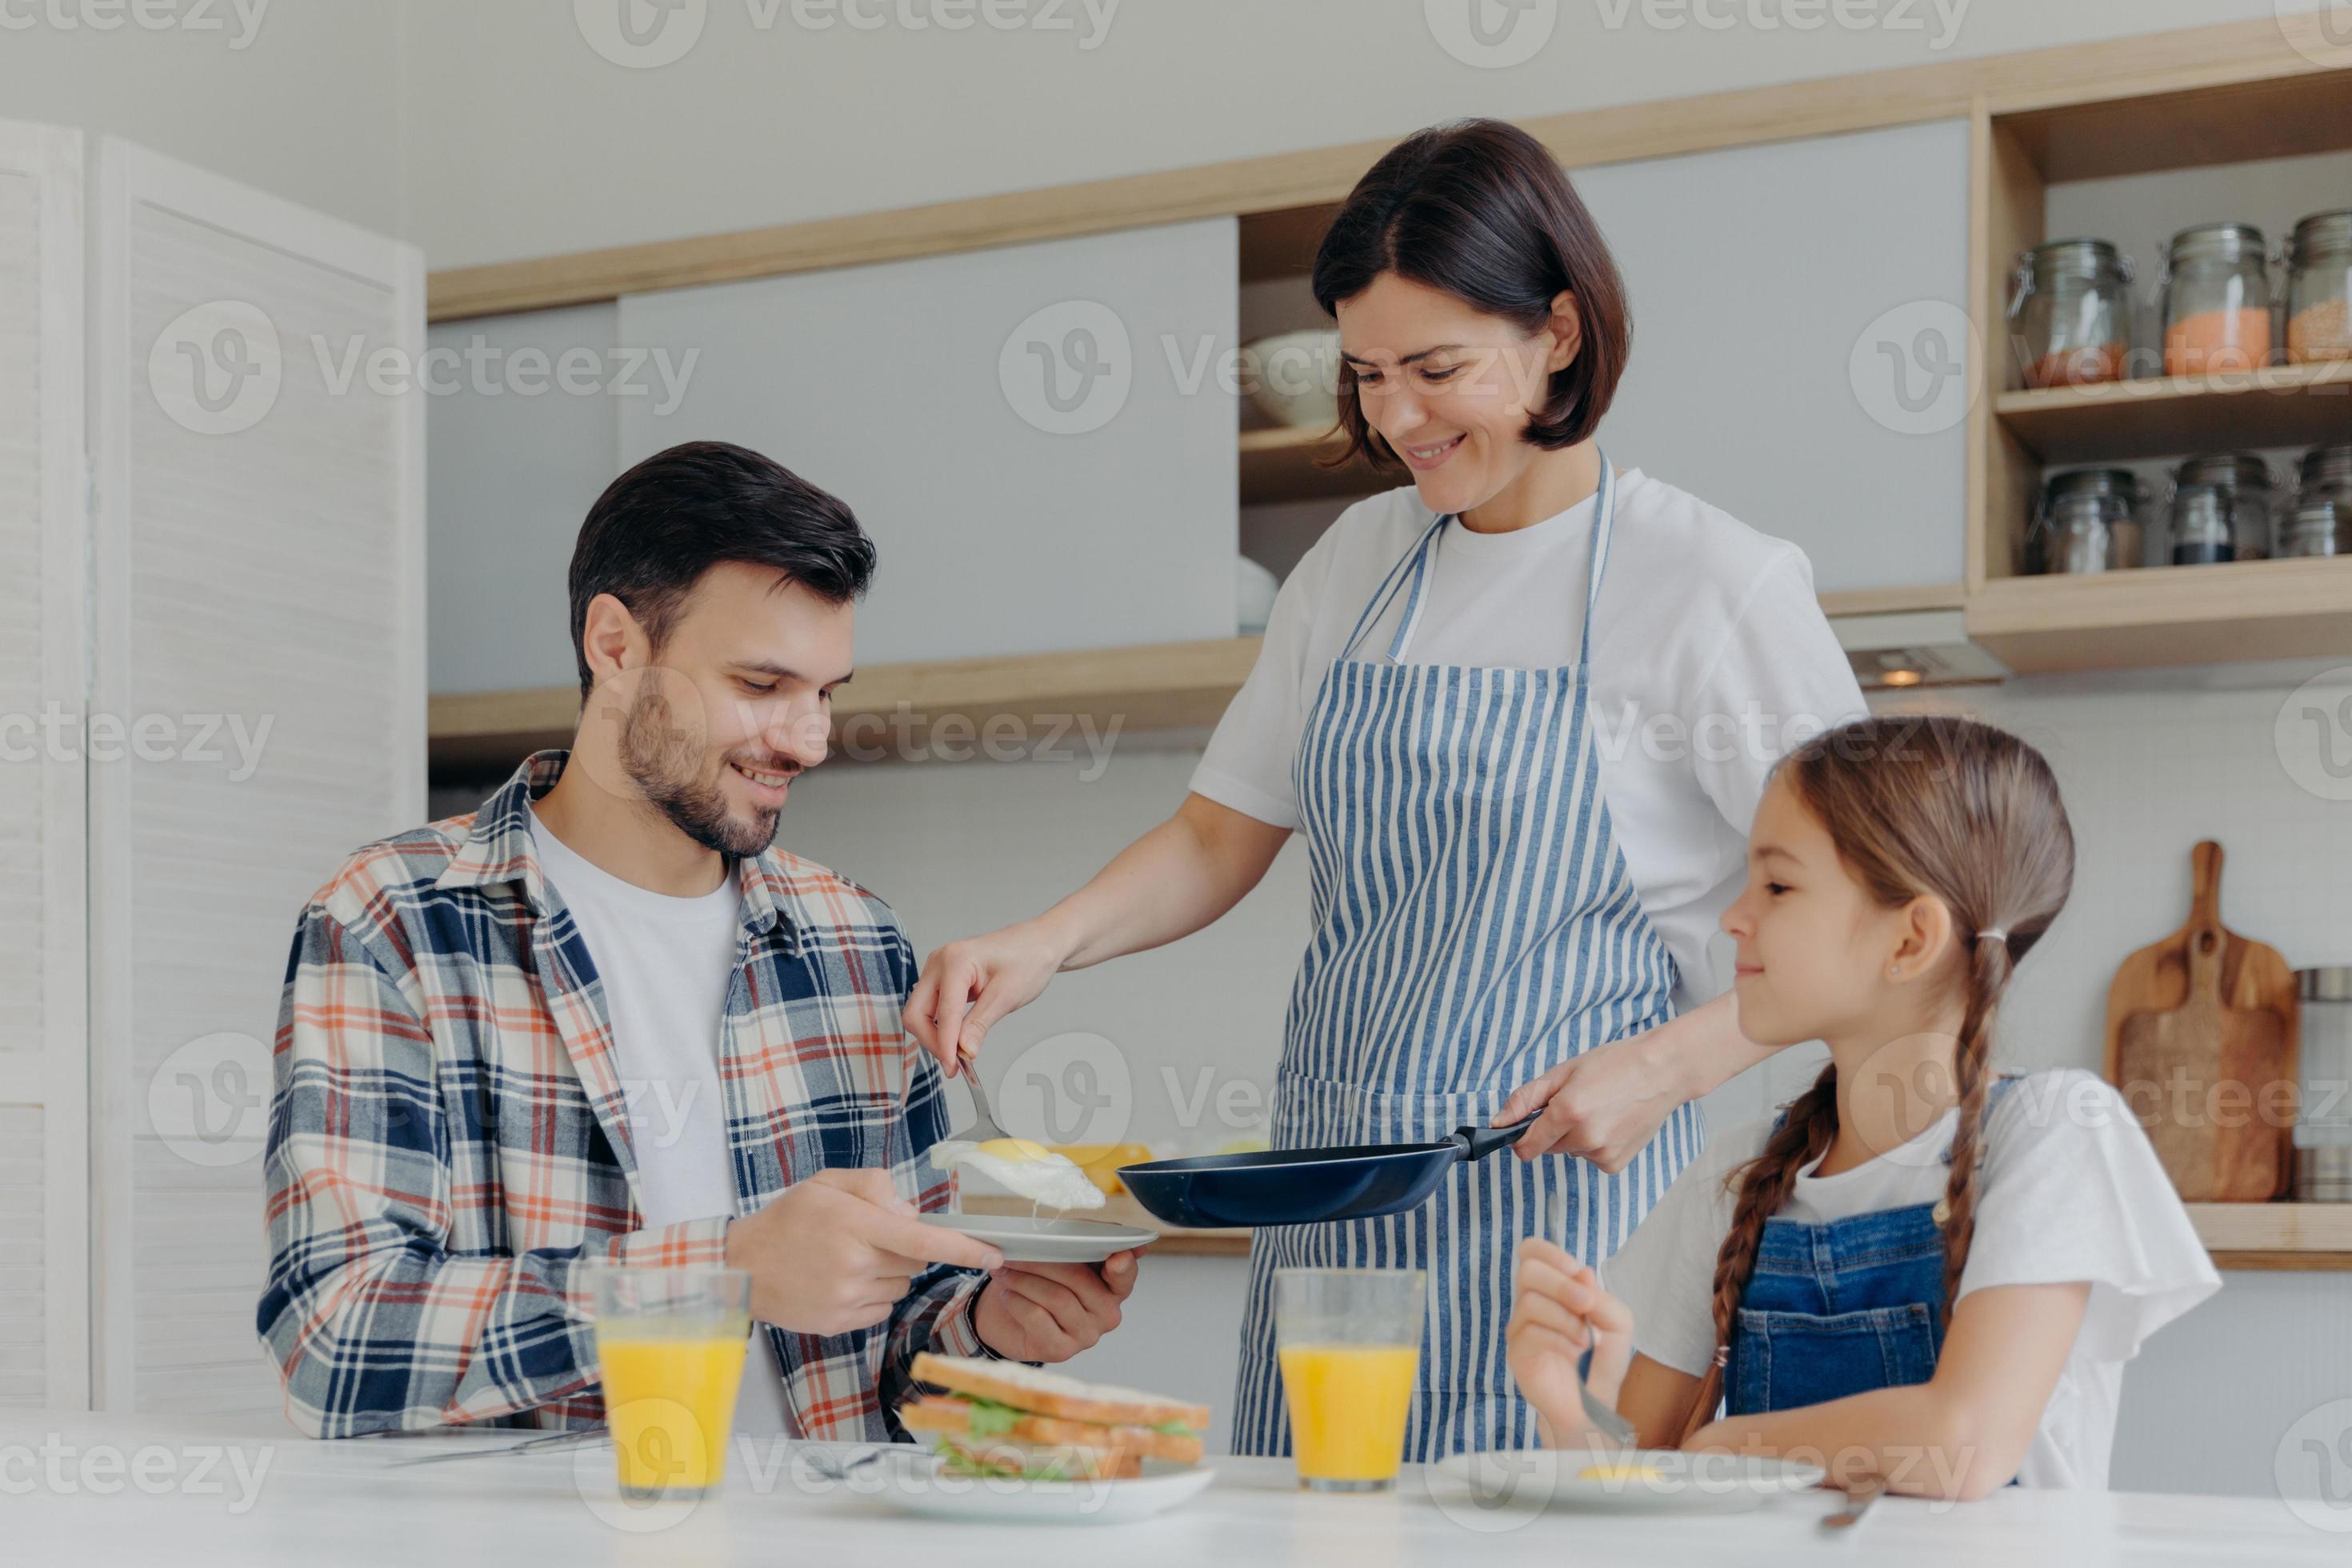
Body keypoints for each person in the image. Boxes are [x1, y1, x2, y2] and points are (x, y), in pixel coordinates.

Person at [902, 119, 1866, 1457]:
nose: (1397, 418)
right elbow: (1217, 832)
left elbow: (1881, 909)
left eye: (1436, 368)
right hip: (1337, 1228)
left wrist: (1663, 1066)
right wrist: (1042, 943)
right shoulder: (1359, 565)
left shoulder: (1710, 582)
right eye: (1366, 376)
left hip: (1578, 1229)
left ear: (1562, 335)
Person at [258, 441, 1135, 1440]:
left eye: (826, 692)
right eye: (762, 686)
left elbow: (898, 1347)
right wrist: (722, 1274)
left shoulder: (855, 939)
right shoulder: (394, 920)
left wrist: (987, 1326)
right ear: (616, 646)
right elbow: (333, 1340)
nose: (807, 740)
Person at [1508, 715, 2219, 1495]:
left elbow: (1963, 1443)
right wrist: (1569, 1410)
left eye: (1777, 884)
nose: (1734, 916)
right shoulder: (1737, 1171)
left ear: (1911, 940)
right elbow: (1638, 1486)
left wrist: (1725, 1441)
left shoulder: (2054, 1131)